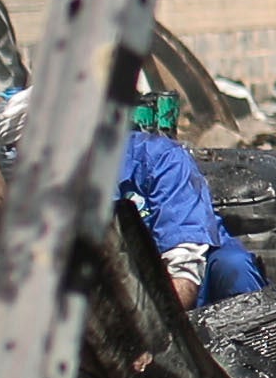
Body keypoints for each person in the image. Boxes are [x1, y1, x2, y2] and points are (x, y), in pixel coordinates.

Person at [111, 113, 264, 307]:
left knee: (234, 266)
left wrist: (164, 324)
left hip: (187, 281)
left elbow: (184, 263)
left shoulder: (160, 158)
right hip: (123, 283)